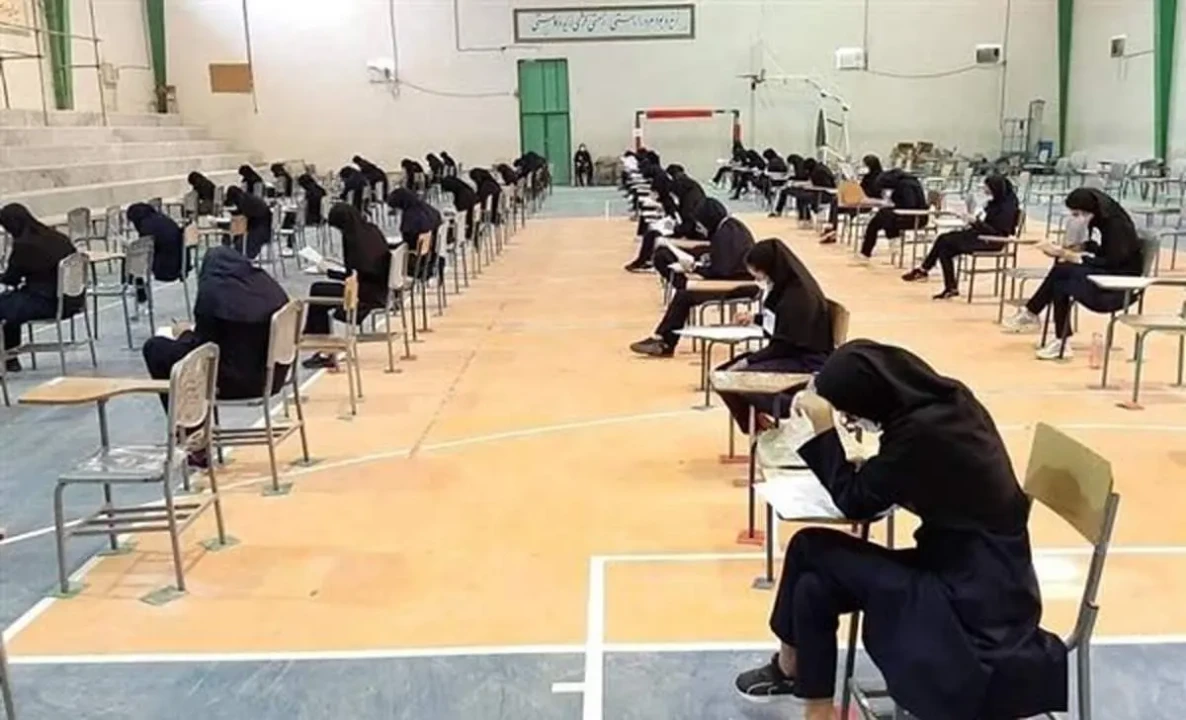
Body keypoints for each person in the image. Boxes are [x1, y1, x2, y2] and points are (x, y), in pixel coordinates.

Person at [734, 340, 1068, 720]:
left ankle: (791, 670)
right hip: (976, 569)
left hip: (970, 595)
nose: (852, 422)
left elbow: (856, 503)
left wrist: (823, 432)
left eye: (850, 413)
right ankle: (815, 706)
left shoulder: (921, 434)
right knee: (814, 586)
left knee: (808, 546)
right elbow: (915, 476)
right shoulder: (946, 406)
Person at [141, 247, 290, 464]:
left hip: (233, 382)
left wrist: (183, 334)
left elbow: (202, 349)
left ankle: (193, 437)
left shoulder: (213, 296)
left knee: (157, 350)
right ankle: (195, 437)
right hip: (273, 378)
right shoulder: (270, 289)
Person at [1003, 187, 1143, 360]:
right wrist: (1083, 247)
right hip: (1109, 273)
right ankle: (1042, 323)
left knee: (1063, 278)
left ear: (1089, 210)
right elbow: (1106, 252)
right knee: (1062, 271)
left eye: (1077, 214)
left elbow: (1114, 262)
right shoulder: (1104, 220)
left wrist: (1075, 257)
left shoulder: (1117, 226)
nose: (1076, 218)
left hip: (1118, 285)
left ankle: (1042, 322)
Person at [713, 239, 833, 433]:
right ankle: (756, 428)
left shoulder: (798, 297)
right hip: (790, 352)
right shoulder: (786, 286)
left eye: (759, 274)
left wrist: (748, 361)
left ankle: (795, 407)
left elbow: (783, 344)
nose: (759, 280)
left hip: (806, 360)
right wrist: (755, 318)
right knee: (721, 375)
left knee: (739, 379)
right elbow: (784, 325)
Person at [629, 199, 758, 357]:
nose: (699, 228)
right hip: (734, 281)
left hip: (738, 286)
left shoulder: (726, 233)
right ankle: (663, 339)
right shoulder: (729, 228)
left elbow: (721, 270)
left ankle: (665, 342)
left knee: (684, 296)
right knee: (681, 287)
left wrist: (695, 268)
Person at [902, 175, 1021, 299]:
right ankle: (949, 286)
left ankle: (925, 270)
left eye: (988, 187)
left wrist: (975, 222)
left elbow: (995, 232)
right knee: (945, 248)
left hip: (992, 241)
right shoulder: (996, 202)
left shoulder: (1006, 209)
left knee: (945, 240)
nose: (985, 190)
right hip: (981, 236)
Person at [302, 204, 392, 369]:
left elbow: (354, 276)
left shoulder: (353, 240)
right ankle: (320, 344)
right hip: (379, 288)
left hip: (364, 293)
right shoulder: (371, 230)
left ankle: (323, 348)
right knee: (320, 290)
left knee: (318, 291)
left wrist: (329, 272)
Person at [0, 204, 81, 372]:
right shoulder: (58, 237)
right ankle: (10, 358)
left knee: (6, 306)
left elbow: (11, 279)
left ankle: (10, 357)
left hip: (47, 303)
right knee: (11, 304)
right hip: (73, 300)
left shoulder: (24, 245)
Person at [625, 167, 705, 273]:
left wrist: (675, 229)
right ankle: (644, 261)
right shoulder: (691, 196)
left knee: (654, 235)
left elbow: (688, 226)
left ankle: (645, 261)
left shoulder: (689, 204)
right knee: (653, 233)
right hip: (688, 231)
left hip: (693, 235)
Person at [860, 168, 928, 260]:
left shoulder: (905, 185)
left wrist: (892, 205)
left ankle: (867, 251)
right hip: (916, 216)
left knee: (878, 220)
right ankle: (892, 242)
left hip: (914, 217)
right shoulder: (910, 181)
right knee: (882, 217)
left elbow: (909, 205)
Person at [126, 202, 185, 304]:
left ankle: (132, 286)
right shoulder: (163, 219)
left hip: (165, 265)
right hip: (180, 260)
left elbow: (146, 247)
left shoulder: (146, 225)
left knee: (132, 258)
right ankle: (134, 287)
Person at [818, 154, 883, 244]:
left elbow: (873, 193)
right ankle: (832, 229)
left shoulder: (880, 178)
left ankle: (832, 230)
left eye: (865, 165)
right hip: (859, 200)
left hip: (867, 204)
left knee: (836, 203)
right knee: (835, 201)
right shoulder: (867, 177)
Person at [387, 188, 443, 279]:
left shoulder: (410, 216)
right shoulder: (429, 210)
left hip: (415, 264)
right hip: (430, 259)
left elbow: (407, 243)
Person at [224, 186, 272, 259]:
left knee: (238, 242)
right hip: (264, 228)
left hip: (258, 231)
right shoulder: (247, 198)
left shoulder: (243, 201)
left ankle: (233, 257)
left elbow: (242, 215)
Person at [441, 175, 478, 241]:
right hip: (469, 217)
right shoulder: (465, 189)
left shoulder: (462, 194)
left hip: (462, 221)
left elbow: (459, 211)